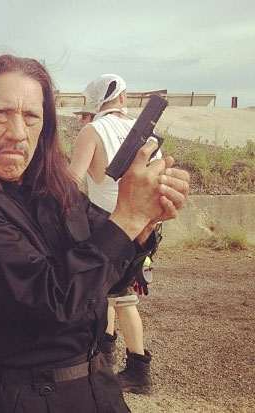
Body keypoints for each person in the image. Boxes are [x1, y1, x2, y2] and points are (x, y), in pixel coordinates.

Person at [0, 55, 189, 412]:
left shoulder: (56, 190)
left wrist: (146, 220)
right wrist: (127, 217)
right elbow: (51, 301)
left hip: (99, 388)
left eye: (31, 117)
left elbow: (111, 278)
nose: (17, 133)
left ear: (45, 127)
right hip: (21, 399)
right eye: (1, 113)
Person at [69, 74, 159, 395]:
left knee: (120, 298)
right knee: (110, 294)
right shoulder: (146, 134)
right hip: (144, 227)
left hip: (109, 225)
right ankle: (104, 357)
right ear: (121, 97)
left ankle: (138, 371)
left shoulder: (93, 131)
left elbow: (72, 179)